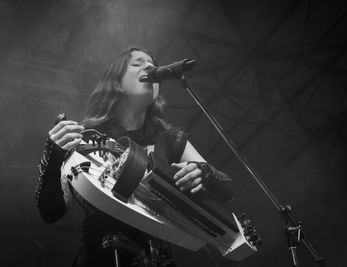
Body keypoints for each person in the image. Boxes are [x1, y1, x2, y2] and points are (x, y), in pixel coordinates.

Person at [35, 46, 235, 267]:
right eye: (137, 63)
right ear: (116, 82)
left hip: (158, 259)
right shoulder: (86, 135)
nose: (149, 66)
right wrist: (52, 157)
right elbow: (51, 211)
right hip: (101, 257)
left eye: (152, 64)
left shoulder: (170, 138)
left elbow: (227, 192)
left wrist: (204, 174)